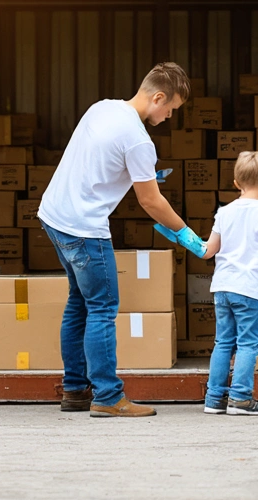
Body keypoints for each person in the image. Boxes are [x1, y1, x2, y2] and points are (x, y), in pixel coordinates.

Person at [38, 62, 203, 418]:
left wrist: (141, 174)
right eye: (171, 109)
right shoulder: (139, 140)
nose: (170, 116)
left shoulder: (103, 107)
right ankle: (109, 397)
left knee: (79, 303)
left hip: (54, 217)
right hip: (84, 230)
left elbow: (97, 159)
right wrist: (188, 236)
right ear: (158, 97)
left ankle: (75, 390)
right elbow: (151, 201)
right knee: (102, 308)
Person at [193, 151, 258, 416]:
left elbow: (209, 250)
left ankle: (214, 399)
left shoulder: (224, 212)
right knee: (248, 344)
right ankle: (241, 398)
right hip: (249, 290)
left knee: (223, 342)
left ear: (236, 183)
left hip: (222, 287)